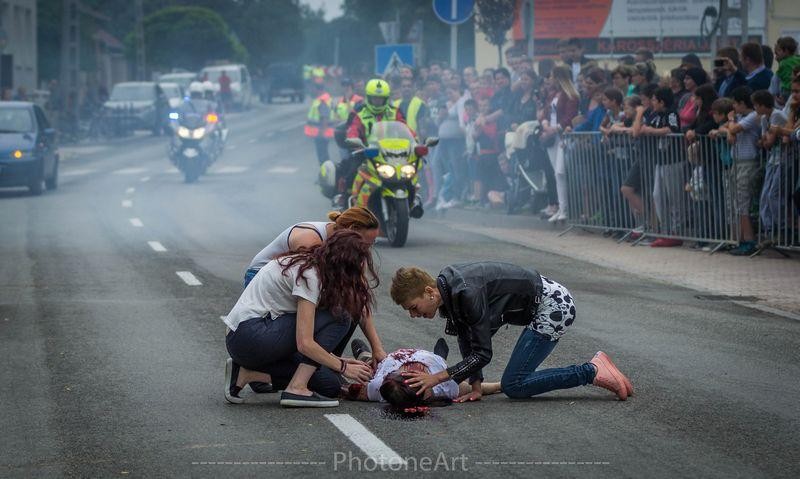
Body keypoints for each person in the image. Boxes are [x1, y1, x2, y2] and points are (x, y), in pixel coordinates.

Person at [389, 264, 634, 402]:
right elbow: (467, 338)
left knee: (514, 385)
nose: (413, 314)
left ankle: (591, 371)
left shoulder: (466, 293)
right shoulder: (449, 290)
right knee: (514, 382)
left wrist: (437, 378)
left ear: (429, 292)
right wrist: (476, 385)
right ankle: (594, 369)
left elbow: (482, 354)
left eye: (413, 307)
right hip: (545, 301)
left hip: (554, 307)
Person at [223, 230, 378, 407]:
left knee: (330, 385)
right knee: (341, 316)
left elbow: (303, 331)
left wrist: (337, 361)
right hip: (249, 335)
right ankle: (297, 388)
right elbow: (304, 343)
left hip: (253, 340)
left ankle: (244, 374)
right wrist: (343, 367)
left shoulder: (316, 265)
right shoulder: (310, 274)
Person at [343, 339, 502, 407]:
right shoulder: (443, 387)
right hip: (433, 361)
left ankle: (364, 355)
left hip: (386, 361)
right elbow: (474, 389)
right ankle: (440, 354)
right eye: (414, 373)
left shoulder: (378, 387)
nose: (412, 367)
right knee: (442, 362)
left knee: (368, 368)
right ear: (426, 393)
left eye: (408, 371)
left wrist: (342, 372)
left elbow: (347, 390)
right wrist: (500, 385)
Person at [712, 86, 760, 256]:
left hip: (748, 163)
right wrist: (729, 130)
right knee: (735, 203)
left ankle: (749, 240)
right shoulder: (739, 117)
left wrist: (731, 124)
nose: (733, 107)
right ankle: (738, 239)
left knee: (743, 204)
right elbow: (723, 128)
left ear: (741, 103)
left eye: (735, 104)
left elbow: (731, 128)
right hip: (736, 163)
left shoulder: (753, 116)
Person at [641, 87, 683, 247]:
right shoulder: (655, 115)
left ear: (662, 102)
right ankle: (665, 231)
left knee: (674, 198)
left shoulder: (671, 113)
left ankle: (676, 232)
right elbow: (644, 128)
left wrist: (652, 131)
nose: (652, 102)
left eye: (654, 100)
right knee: (657, 195)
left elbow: (672, 129)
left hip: (673, 161)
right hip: (660, 161)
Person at [540, 66, 579, 222]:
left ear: (558, 77)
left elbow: (570, 117)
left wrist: (554, 129)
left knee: (560, 172)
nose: (549, 80)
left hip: (562, 136)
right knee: (556, 173)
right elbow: (545, 113)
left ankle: (565, 208)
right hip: (552, 137)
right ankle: (561, 207)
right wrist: (545, 124)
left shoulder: (571, 95)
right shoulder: (552, 95)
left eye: (551, 76)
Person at [305, 82, 334, 165]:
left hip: (321, 133)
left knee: (323, 157)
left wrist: (321, 133)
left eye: (313, 89)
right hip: (322, 133)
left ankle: (326, 171)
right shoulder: (323, 99)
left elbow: (324, 118)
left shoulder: (322, 100)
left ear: (317, 89)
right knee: (323, 155)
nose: (312, 90)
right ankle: (326, 170)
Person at [771, 37, 800, 103]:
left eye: (779, 51)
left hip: (786, 89)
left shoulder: (783, 63)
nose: (775, 58)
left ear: (786, 51)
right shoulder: (798, 58)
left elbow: (779, 75)